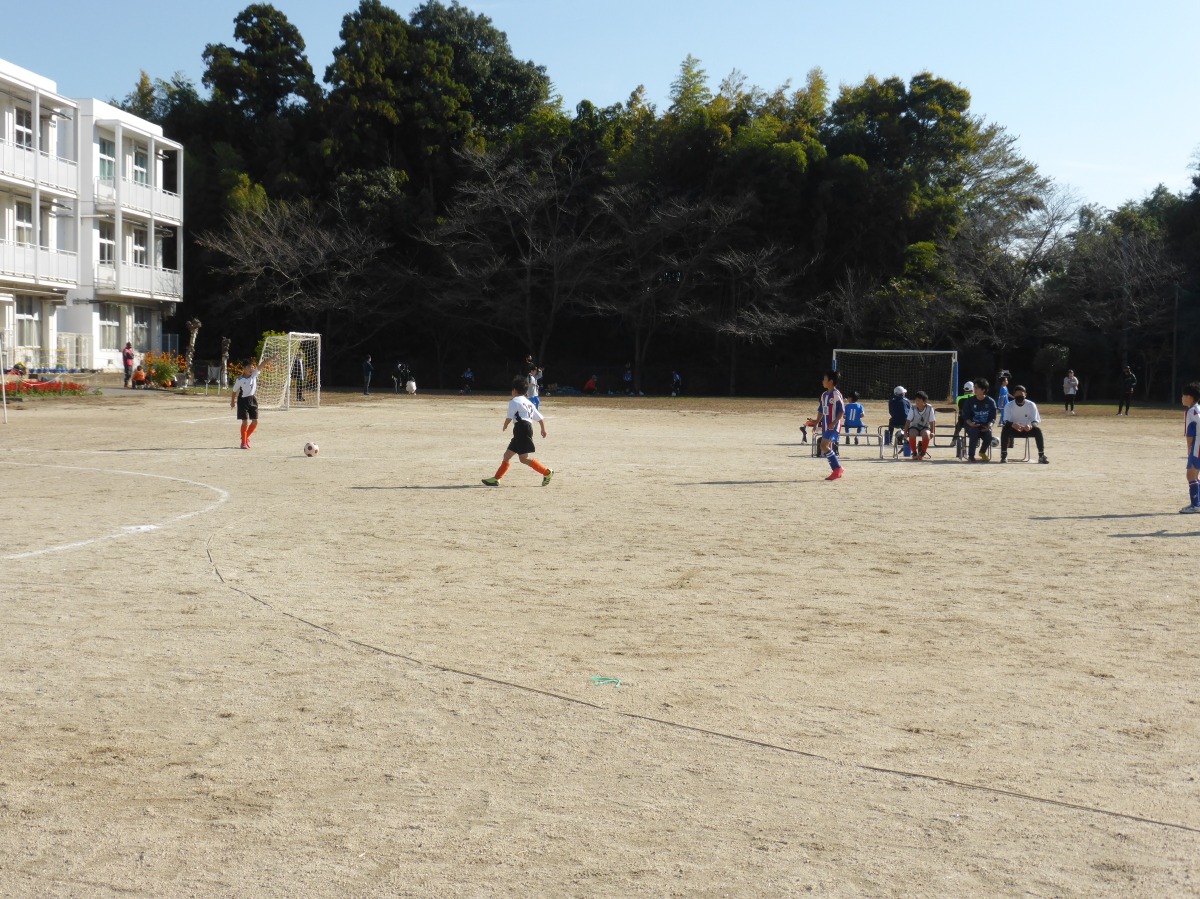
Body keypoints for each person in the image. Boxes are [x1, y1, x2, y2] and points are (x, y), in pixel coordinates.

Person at [482, 376, 554, 487]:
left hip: (521, 428)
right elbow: (540, 418)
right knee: (507, 455)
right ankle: (496, 478)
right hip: (524, 428)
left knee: (523, 458)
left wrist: (505, 425)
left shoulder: (514, 401)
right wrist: (543, 429)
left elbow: (509, 417)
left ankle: (547, 472)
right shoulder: (528, 402)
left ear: (514, 390)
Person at [1000, 385, 1049, 464]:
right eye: (1017, 394)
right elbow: (1005, 421)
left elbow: (1035, 421)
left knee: (1038, 430)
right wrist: (1013, 425)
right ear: (1014, 395)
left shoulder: (1031, 405)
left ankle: (1041, 455)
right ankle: (1004, 455)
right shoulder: (1009, 405)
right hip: (1013, 429)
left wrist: (1030, 426)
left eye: (1021, 393)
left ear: (1025, 395)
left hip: (1026, 430)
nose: (1019, 395)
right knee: (1005, 429)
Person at [961, 378, 998, 462]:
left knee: (988, 436)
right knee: (974, 432)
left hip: (984, 425)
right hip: (972, 425)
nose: (974, 389)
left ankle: (982, 452)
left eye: (976, 387)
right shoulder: (969, 401)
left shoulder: (990, 402)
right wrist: (970, 423)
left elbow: (993, 417)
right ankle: (971, 456)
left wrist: (989, 426)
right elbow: (965, 416)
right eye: (974, 387)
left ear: (983, 390)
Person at [818, 370, 845, 480]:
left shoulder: (836, 394)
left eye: (825, 379)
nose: (823, 381)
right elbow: (821, 410)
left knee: (823, 445)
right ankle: (836, 470)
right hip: (826, 425)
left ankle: (837, 468)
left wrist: (834, 423)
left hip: (833, 426)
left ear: (831, 381)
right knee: (826, 446)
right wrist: (816, 422)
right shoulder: (824, 395)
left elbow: (842, 410)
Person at [230, 359, 260, 450]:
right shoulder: (240, 379)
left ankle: (245, 437)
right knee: (245, 422)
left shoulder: (254, 374)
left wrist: (270, 358)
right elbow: (234, 391)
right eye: (249, 367)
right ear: (244, 368)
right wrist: (232, 402)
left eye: (252, 367)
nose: (251, 369)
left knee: (255, 421)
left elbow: (261, 365)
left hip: (252, 399)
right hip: (243, 401)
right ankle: (243, 443)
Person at [1181, 383, 1200, 513]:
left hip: (1197, 445)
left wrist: (1189, 449)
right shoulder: (1198, 408)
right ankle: (1198, 503)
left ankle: (1196, 505)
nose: (1182, 398)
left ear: (1190, 397)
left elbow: (1190, 434)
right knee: (1195, 474)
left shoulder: (1190, 412)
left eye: (1183, 395)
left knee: (1191, 475)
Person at [906, 391, 936, 460]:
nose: (917, 402)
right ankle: (914, 453)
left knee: (926, 434)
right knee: (912, 434)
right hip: (914, 427)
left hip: (925, 427)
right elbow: (908, 421)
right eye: (916, 400)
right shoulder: (913, 408)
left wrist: (932, 432)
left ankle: (922, 453)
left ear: (924, 401)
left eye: (919, 400)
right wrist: (905, 432)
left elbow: (932, 421)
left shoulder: (929, 408)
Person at [886, 386, 912, 456]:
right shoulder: (907, 400)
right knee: (909, 423)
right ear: (902, 394)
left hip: (894, 422)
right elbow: (910, 411)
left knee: (891, 421)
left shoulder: (891, 401)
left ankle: (889, 439)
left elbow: (890, 412)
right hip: (905, 422)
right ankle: (907, 439)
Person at [952, 381, 974, 448]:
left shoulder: (958, 398)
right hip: (972, 420)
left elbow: (959, 408)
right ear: (973, 389)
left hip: (962, 420)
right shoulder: (975, 398)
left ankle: (954, 440)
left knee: (958, 425)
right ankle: (974, 440)